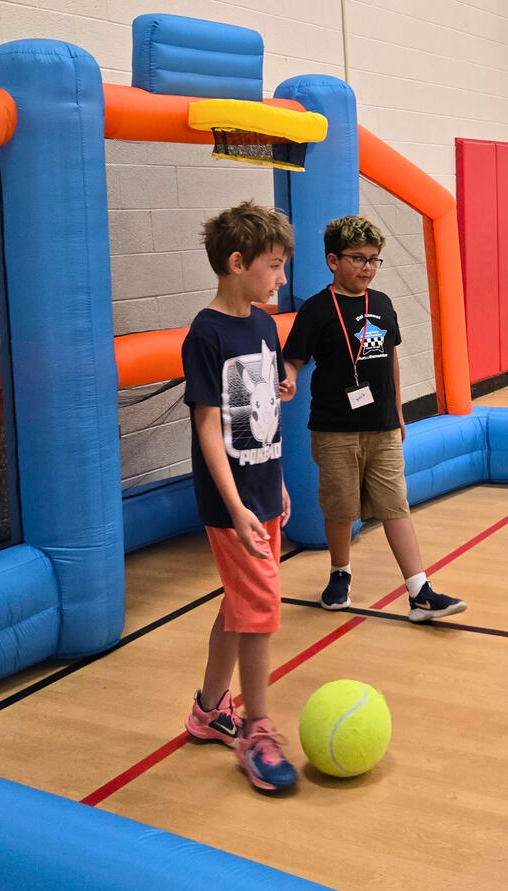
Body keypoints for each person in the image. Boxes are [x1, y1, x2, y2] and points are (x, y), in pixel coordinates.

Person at [282, 214, 466, 623]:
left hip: (382, 426)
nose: (367, 268)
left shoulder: (381, 303)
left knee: (394, 503)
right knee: (340, 506)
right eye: (358, 258)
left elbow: (391, 360)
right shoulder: (316, 310)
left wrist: (397, 413)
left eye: (373, 260)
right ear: (333, 261)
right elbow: (294, 358)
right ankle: (340, 573)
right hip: (334, 429)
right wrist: (289, 378)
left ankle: (419, 591)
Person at [180, 200, 298, 793]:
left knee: (240, 604)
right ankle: (256, 730)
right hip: (233, 505)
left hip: (263, 490)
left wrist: (278, 484)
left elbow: (265, 413)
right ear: (236, 263)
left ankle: (208, 711)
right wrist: (235, 506)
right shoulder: (206, 334)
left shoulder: (263, 326)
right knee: (260, 609)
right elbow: (207, 425)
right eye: (273, 266)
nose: (281, 278)